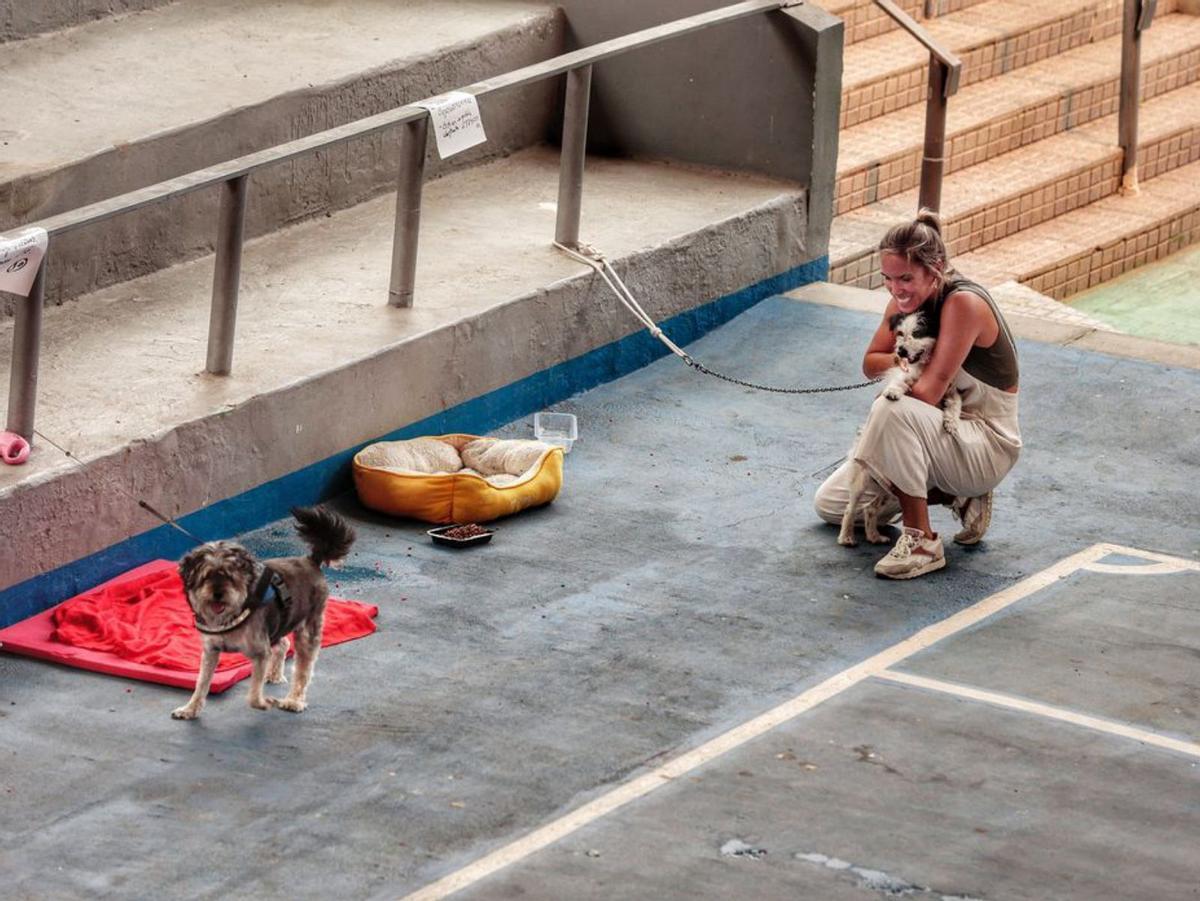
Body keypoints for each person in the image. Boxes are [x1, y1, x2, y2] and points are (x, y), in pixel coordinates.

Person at [814, 210, 1021, 579]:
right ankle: (947, 492)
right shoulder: (905, 300)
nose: (896, 290)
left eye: (906, 278)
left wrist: (903, 372)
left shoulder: (963, 304)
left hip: (982, 441)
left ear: (936, 268)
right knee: (831, 505)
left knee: (891, 409)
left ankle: (923, 540)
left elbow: (925, 392)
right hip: (936, 430)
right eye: (888, 279)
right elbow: (870, 362)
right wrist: (906, 358)